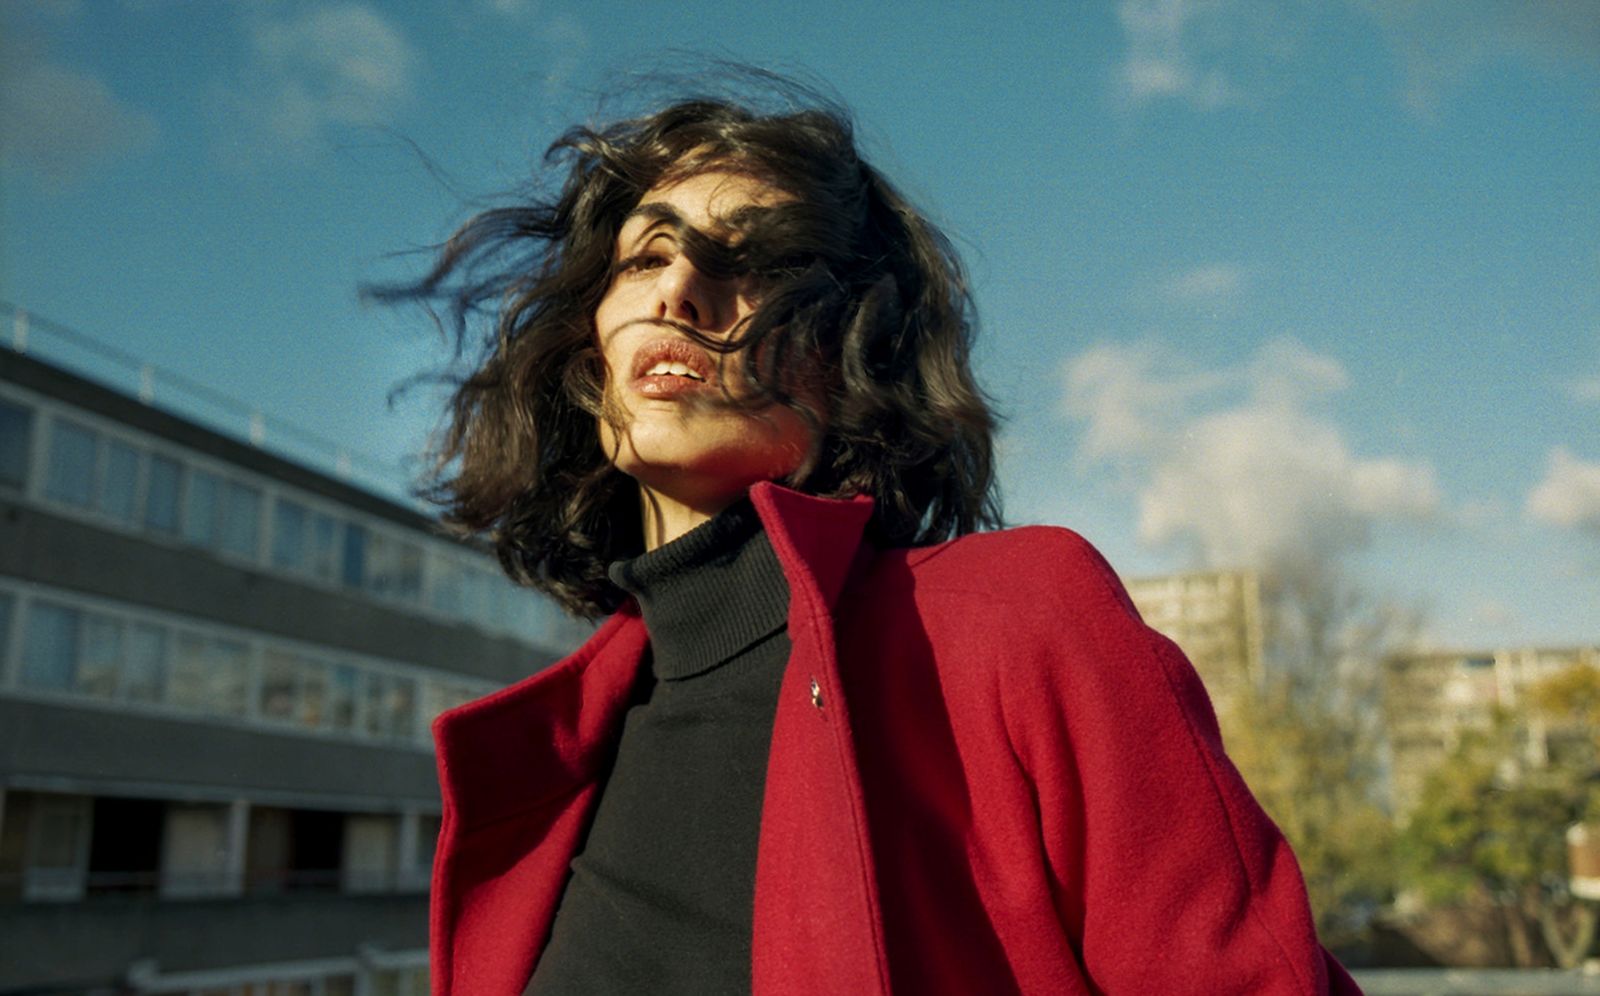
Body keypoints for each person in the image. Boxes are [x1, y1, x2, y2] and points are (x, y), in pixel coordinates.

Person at [391, 79, 1362, 995]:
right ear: (587, 346)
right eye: (645, 256)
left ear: (855, 352)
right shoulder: (552, 759)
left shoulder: (1016, 621)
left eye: (758, 262)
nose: (679, 288)